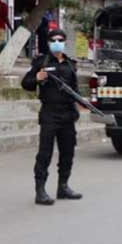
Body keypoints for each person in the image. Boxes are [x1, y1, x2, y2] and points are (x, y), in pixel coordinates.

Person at [21, 30, 83, 205]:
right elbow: (26, 83)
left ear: (65, 42)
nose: (57, 42)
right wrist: (37, 78)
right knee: (45, 153)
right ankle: (40, 190)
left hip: (68, 114)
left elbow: (75, 89)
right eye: (53, 40)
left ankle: (63, 186)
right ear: (48, 43)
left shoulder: (71, 64)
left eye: (60, 40)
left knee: (68, 152)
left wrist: (79, 105)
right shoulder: (42, 62)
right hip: (49, 113)